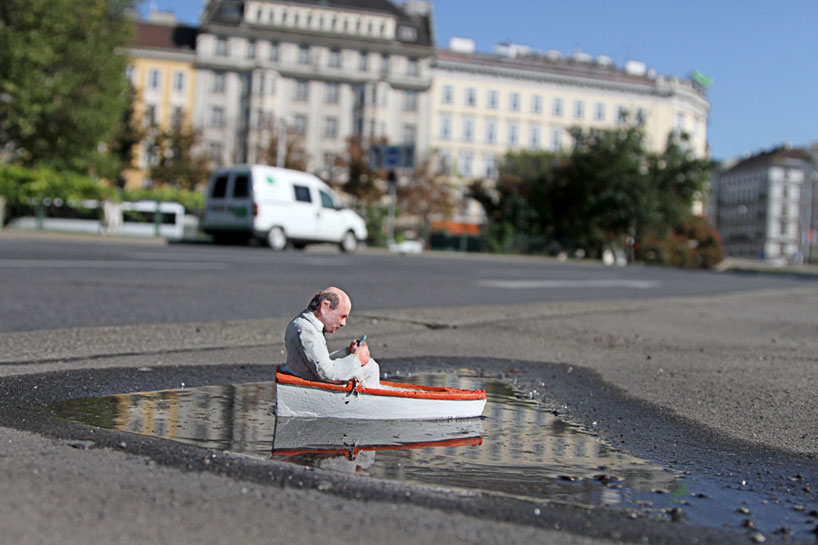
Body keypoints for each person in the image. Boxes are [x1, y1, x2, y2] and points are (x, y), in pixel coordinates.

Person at [282, 286, 380, 386]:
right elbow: (326, 373)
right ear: (325, 306)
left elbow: (320, 362)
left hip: (307, 374)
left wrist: (347, 352)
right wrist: (357, 359)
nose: (343, 323)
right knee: (371, 367)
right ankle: (373, 400)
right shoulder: (306, 331)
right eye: (342, 316)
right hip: (308, 380)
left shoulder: (303, 324)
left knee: (369, 364)